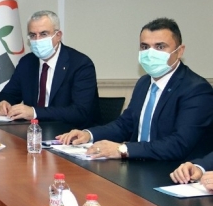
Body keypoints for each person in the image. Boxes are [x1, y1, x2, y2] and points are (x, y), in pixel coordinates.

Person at [57, 18, 213, 161]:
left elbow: (179, 144)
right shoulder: (144, 82)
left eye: (160, 47)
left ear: (180, 51)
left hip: (174, 171)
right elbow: (125, 124)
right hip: (139, 165)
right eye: (145, 47)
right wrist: (88, 134)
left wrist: (122, 149)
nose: (150, 53)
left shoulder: (197, 90)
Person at [0, 10, 100, 127]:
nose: (37, 40)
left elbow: (79, 111)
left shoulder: (80, 64)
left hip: (70, 132)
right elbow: (8, 94)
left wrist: (34, 112)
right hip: (33, 131)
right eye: (33, 35)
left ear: (58, 35)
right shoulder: (27, 62)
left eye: (43, 34)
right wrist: (4, 103)